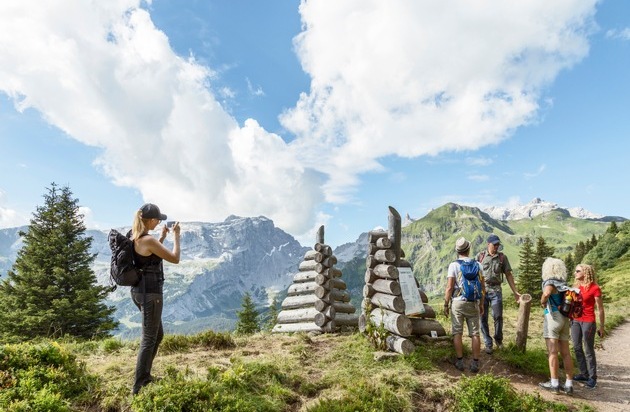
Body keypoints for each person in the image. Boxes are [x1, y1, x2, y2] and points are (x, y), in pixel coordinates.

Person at [131, 203, 180, 395]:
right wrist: (176, 236)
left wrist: (162, 237)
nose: (159, 221)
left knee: (157, 335)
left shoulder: (135, 235)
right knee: (149, 338)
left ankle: (146, 376)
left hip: (138, 292)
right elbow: (175, 258)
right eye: (158, 219)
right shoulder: (147, 240)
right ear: (150, 220)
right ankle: (139, 385)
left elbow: (148, 257)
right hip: (151, 295)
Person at [444, 237, 485, 373]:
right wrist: (481, 304)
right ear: (469, 249)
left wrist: (446, 304)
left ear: (457, 251)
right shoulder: (478, 265)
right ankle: (475, 363)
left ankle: (460, 361)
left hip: (458, 303)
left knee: (457, 332)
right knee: (475, 333)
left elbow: (450, 287)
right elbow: (483, 287)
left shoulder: (453, 265)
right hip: (473, 302)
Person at [477, 234, 521, 354]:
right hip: (483, 291)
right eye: (494, 244)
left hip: (496, 290)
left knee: (498, 316)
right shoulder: (480, 257)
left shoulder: (502, 258)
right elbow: (475, 274)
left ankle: (498, 339)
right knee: (483, 317)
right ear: (488, 244)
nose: (496, 247)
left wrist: (515, 292)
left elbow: (508, 275)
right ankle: (488, 342)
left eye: (498, 245)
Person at [539, 257, 574, 395]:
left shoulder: (549, 282)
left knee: (552, 352)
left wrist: (542, 301)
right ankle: (569, 385)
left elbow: (546, 293)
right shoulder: (563, 283)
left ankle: (554, 384)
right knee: (566, 353)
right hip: (565, 318)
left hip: (553, 317)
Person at [571, 264, 605, 389]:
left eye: (578, 271)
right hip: (575, 320)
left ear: (585, 272)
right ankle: (584, 373)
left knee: (588, 349)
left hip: (588, 321)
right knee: (576, 347)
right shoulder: (576, 287)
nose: (575, 273)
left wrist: (601, 327)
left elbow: (600, 309)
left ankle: (592, 378)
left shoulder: (595, 288)